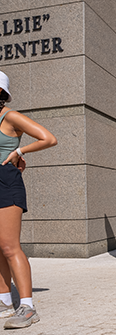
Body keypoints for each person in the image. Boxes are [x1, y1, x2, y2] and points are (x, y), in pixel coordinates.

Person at [0, 71, 57, 329]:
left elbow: (48, 138)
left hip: (6, 182)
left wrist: (19, 151)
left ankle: (28, 307)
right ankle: (4, 303)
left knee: (11, 247)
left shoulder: (9, 116)